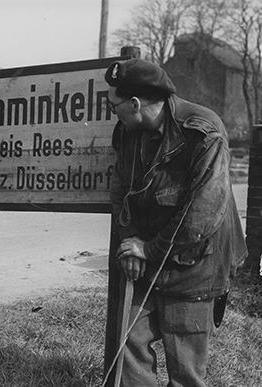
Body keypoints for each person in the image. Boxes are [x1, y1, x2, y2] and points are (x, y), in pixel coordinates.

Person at [105, 58, 247, 386]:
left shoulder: (203, 131)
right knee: (127, 342)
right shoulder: (129, 132)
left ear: (136, 104)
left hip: (197, 264)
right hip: (148, 257)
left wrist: (147, 249)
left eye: (114, 107)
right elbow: (120, 189)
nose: (113, 114)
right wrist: (130, 242)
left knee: (185, 371)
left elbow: (202, 214)